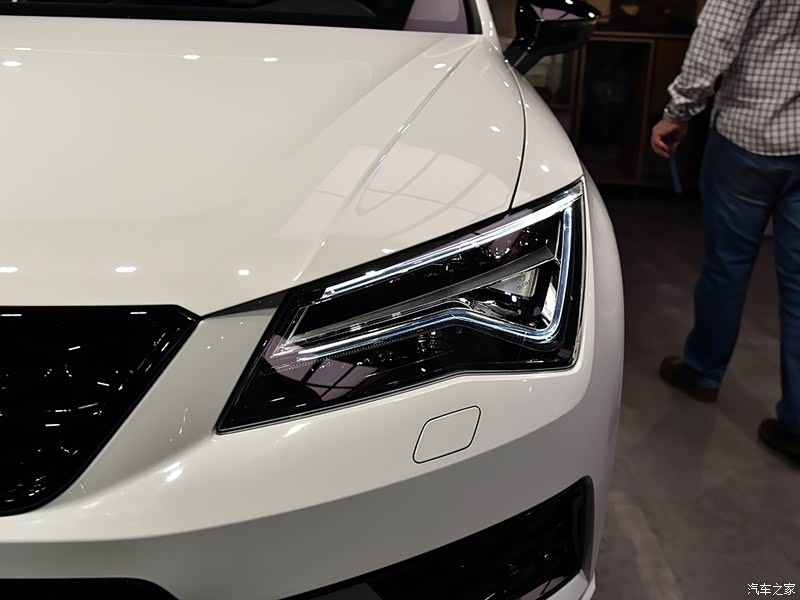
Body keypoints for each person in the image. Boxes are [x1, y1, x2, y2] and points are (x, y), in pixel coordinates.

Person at [650, 0, 800, 460]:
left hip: (750, 134)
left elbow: (717, 34)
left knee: (727, 266)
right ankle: (797, 426)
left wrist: (679, 110)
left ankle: (702, 373)